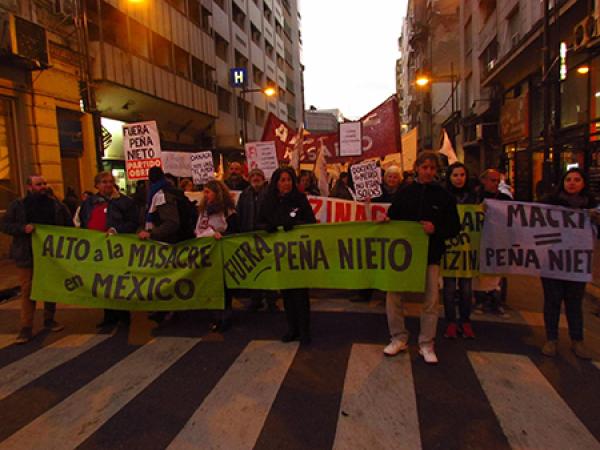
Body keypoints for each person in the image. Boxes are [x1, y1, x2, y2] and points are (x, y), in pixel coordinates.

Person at [383, 152, 460, 364]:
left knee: (431, 300)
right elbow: (393, 215)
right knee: (394, 296)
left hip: (430, 256)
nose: (428, 172)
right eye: (424, 167)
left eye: (432, 168)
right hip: (403, 256)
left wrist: (436, 229)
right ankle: (398, 337)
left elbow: (454, 227)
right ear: (417, 168)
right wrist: (386, 221)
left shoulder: (444, 196)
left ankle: (426, 343)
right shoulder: (405, 192)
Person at [0, 175, 73, 344]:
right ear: (29, 187)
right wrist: (21, 228)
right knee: (27, 290)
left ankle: (49, 319)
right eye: (39, 184)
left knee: (49, 287)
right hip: (27, 254)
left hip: (49, 254)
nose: (43, 187)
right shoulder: (18, 206)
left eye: (44, 184)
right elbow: (5, 225)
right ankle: (26, 327)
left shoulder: (56, 205)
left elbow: (68, 226)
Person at [539, 168, 599, 359]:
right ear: (562, 183)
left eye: (577, 180)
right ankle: (551, 339)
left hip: (576, 263)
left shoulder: (592, 207)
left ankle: (577, 340)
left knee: (574, 303)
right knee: (552, 301)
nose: (572, 183)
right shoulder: (549, 203)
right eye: (568, 180)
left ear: (583, 184)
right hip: (552, 261)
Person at [259, 167, 316, 344]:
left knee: (300, 294)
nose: (286, 183)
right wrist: (267, 227)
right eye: (282, 180)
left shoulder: (300, 199)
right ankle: (292, 329)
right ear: (276, 183)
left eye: (289, 180)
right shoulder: (269, 201)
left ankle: (304, 331)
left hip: (297, 254)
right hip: (280, 255)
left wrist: (296, 224)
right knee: (287, 294)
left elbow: (310, 222)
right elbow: (260, 221)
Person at [78, 171, 140, 330]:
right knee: (103, 282)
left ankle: (123, 316)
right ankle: (109, 316)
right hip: (97, 249)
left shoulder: (125, 202)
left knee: (118, 282)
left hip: (117, 249)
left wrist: (116, 229)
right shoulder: (90, 202)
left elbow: (133, 223)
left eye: (110, 181)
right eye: (104, 182)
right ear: (97, 185)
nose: (107, 184)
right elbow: (83, 221)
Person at [138, 167, 182, 325]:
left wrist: (152, 233)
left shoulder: (163, 196)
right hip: (158, 244)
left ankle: (170, 310)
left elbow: (171, 223)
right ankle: (162, 308)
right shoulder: (155, 195)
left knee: (168, 279)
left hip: (166, 244)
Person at [195, 180, 240, 332]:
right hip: (207, 254)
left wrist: (222, 235)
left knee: (223, 287)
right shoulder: (203, 211)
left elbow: (235, 232)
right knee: (211, 285)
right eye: (204, 192)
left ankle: (225, 317)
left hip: (222, 254)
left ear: (217, 193)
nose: (205, 195)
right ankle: (215, 317)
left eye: (208, 192)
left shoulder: (228, 211)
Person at [442, 162, 478, 339]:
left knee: (466, 290)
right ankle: (450, 322)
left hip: (467, 251)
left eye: (462, 175)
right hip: (449, 249)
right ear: (449, 177)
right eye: (455, 175)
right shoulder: (443, 195)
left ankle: (465, 321)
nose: (459, 179)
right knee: (449, 289)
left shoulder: (474, 196)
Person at [236, 168, 277, 312]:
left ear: (263, 177)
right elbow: (239, 215)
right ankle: (256, 299)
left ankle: (271, 300)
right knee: (254, 270)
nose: (255, 178)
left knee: (269, 270)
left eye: (258, 175)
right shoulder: (244, 195)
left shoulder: (270, 194)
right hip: (249, 237)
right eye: (253, 175)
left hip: (266, 237)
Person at [473, 169, 512, 317]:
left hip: (498, 240)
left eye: (498, 181)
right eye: (492, 180)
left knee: (498, 272)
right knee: (480, 272)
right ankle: (480, 301)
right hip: (480, 238)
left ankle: (497, 302)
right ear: (484, 181)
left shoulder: (504, 199)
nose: (496, 184)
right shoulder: (476, 197)